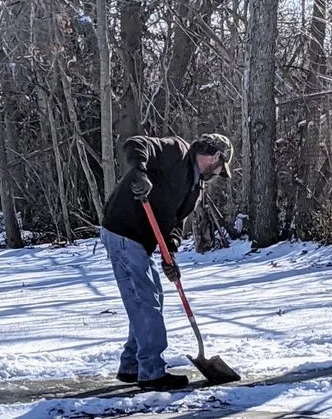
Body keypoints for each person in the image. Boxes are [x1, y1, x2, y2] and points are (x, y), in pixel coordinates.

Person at [100, 132, 233, 390]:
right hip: (123, 230)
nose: (219, 173)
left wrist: (169, 253)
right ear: (215, 156)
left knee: (152, 298)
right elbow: (135, 143)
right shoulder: (176, 151)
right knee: (145, 300)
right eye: (221, 167)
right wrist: (139, 172)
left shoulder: (195, 188)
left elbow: (175, 223)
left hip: (141, 241)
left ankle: (132, 364)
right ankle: (151, 371)